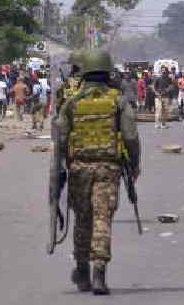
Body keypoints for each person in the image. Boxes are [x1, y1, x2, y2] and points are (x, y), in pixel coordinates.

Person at [56, 50, 140, 295]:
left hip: (79, 167)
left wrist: (61, 169)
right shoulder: (118, 100)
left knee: (83, 220)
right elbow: (131, 135)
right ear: (108, 73)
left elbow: (60, 137)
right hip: (108, 168)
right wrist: (135, 164)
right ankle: (99, 273)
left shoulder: (72, 102)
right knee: (102, 218)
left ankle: (82, 271)